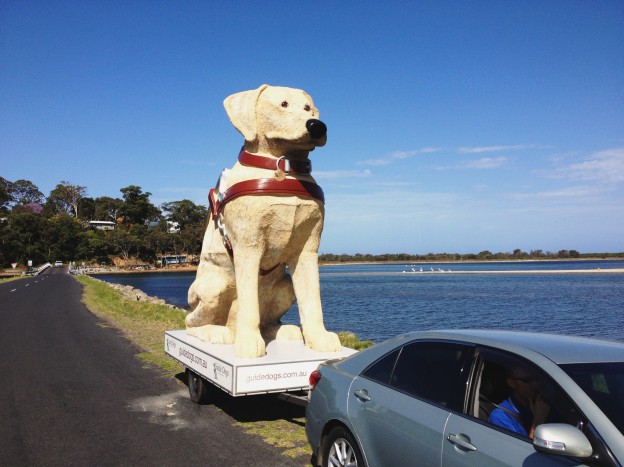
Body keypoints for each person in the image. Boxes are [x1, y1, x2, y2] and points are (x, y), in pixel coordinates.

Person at [488, 366, 550, 438]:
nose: (535, 384)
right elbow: (520, 449)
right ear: (511, 382)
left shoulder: (547, 406)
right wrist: (538, 421)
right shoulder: (500, 416)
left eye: (537, 378)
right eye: (528, 380)